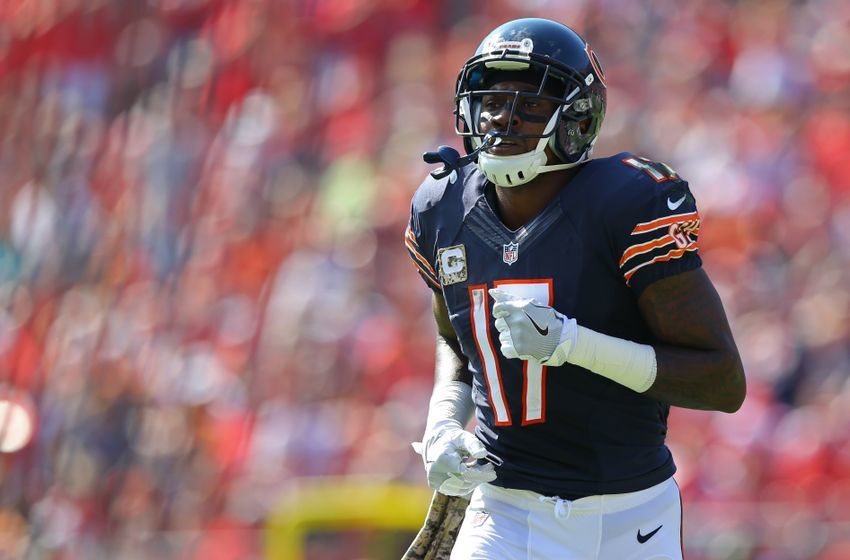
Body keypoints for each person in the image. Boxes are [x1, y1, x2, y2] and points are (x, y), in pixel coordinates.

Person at [404, 17, 746, 560]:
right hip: (504, 513)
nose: (502, 119)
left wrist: (572, 344)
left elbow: (721, 382)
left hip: (628, 515)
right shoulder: (442, 206)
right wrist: (444, 420)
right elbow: (456, 341)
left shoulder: (625, 202)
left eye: (529, 104)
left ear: (577, 117)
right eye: (492, 101)